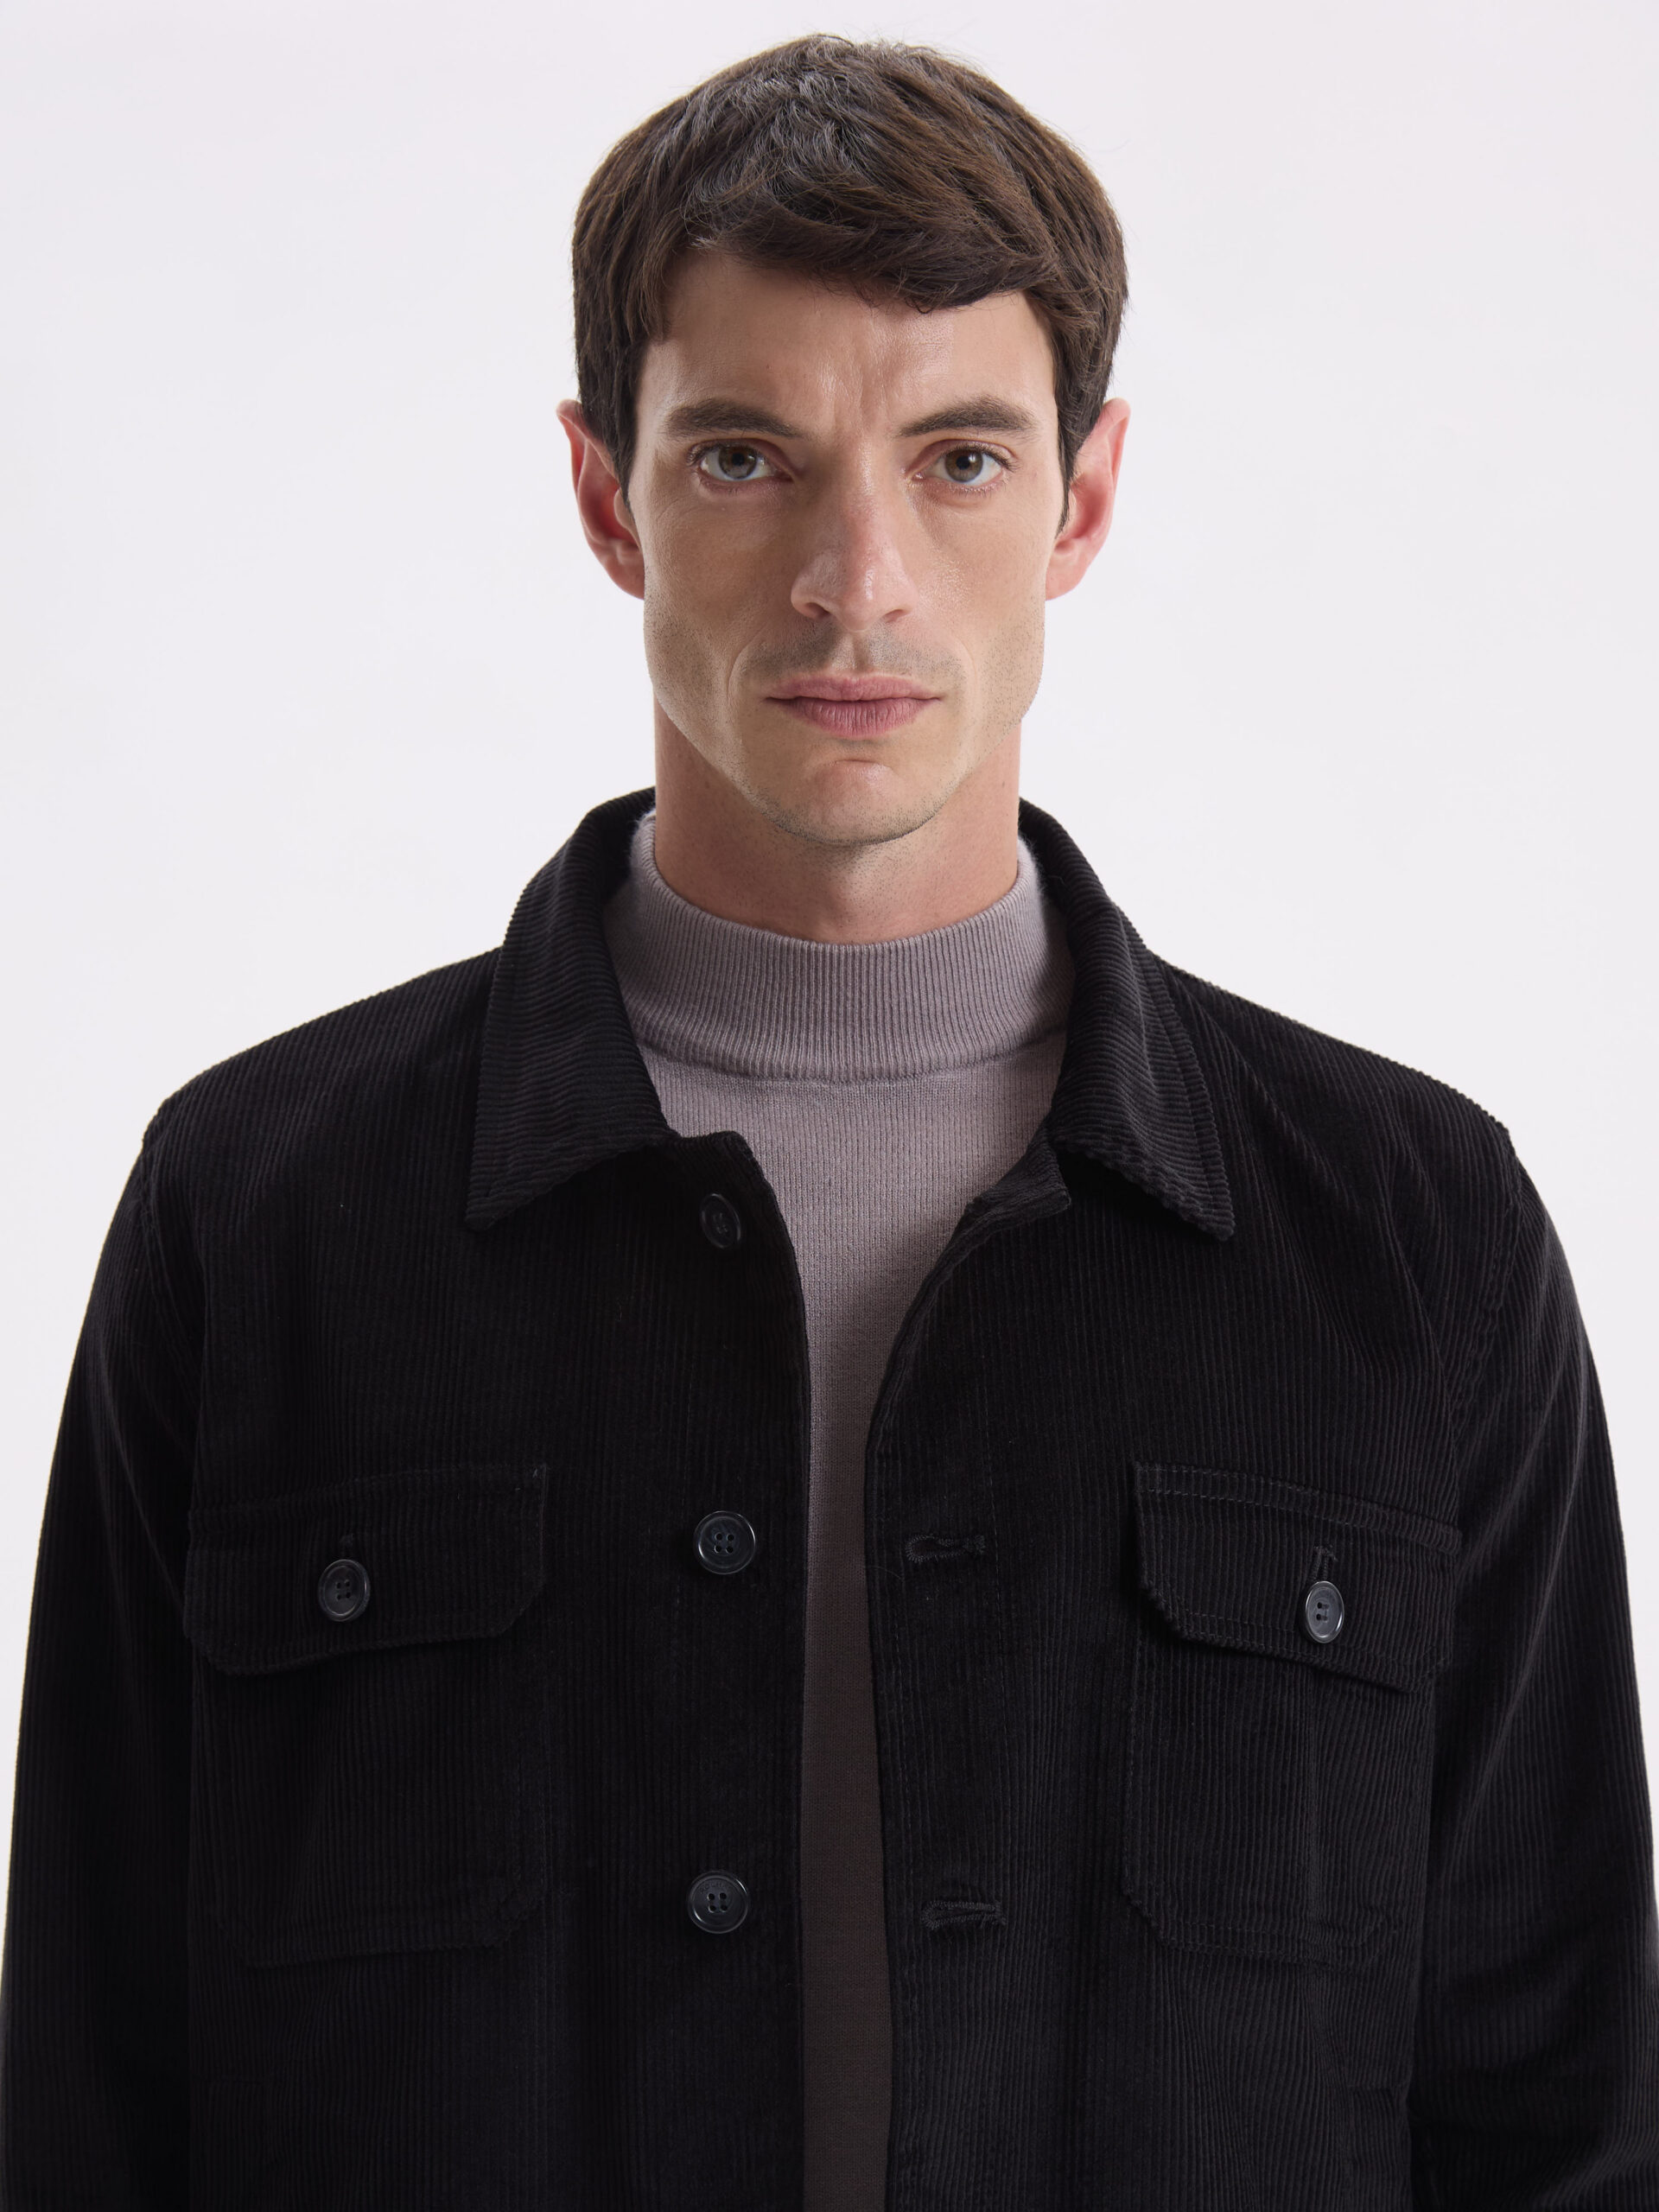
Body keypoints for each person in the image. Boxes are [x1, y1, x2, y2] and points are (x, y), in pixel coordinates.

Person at [2, 32, 1655, 2209]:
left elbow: (1559, 2122)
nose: (855, 576)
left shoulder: (1417, 1238)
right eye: (744, 457)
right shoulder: (257, 1217)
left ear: (1083, 497)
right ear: (609, 495)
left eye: (960, 458)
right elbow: (88, 2098)